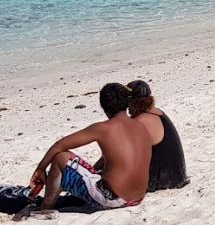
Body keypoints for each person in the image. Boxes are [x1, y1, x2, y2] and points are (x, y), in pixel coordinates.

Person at [21, 83, 151, 217]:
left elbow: (59, 145)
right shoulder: (141, 127)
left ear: (104, 107)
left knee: (61, 158)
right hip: (138, 197)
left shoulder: (104, 128)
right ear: (127, 103)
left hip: (114, 198)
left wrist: (40, 169)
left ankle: (45, 208)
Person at [127, 80, 189, 192]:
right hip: (176, 176)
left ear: (132, 102)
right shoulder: (156, 113)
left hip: (163, 181)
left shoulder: (141, 121)